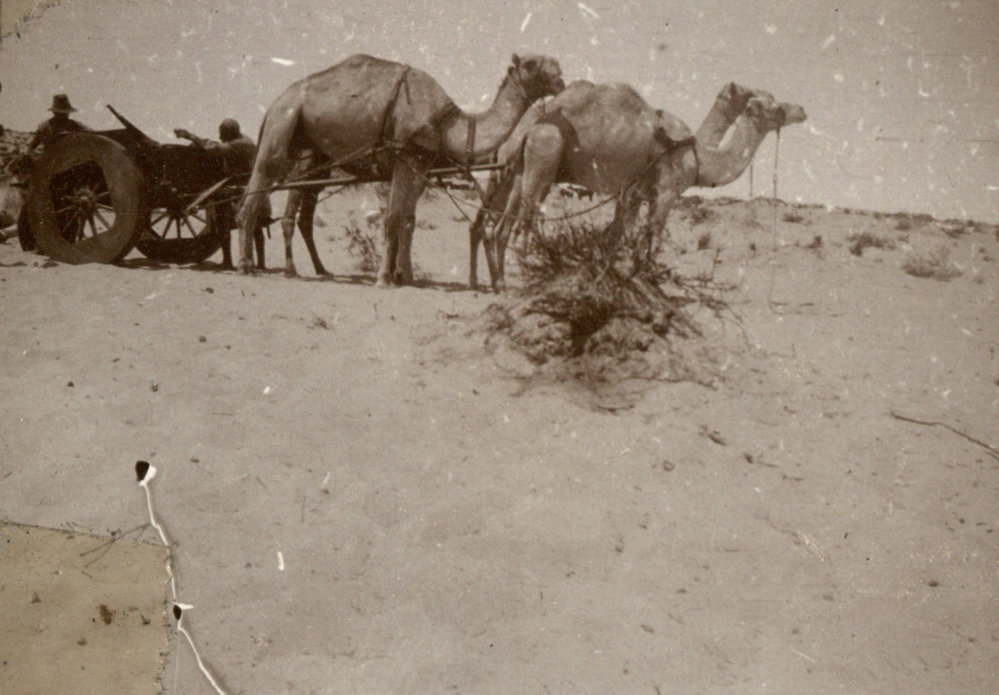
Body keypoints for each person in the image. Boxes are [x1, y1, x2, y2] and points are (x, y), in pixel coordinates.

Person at [173, 118, 268, 268]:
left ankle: (227, 261)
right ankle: (261, 263)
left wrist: (190, 136)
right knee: (255, 226)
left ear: (229, 134)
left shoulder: (237, 145)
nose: (219, 136)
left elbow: (215, 148)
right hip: (251, 187)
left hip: (236, 188)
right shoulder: (247, 141)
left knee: (223, 223)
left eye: (222, 134)